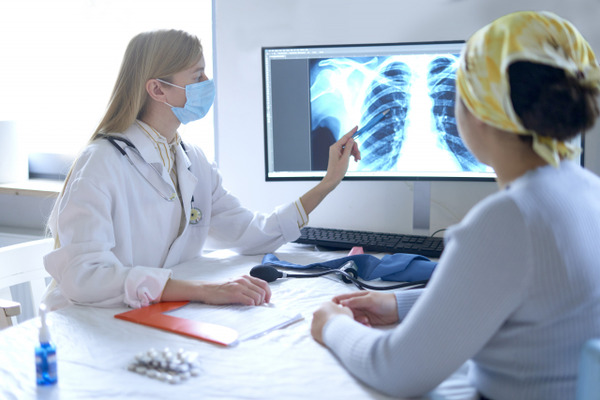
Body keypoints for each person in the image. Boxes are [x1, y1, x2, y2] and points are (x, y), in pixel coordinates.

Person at [311, 11, 600, 400]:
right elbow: (532, 300)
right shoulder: (587, 190)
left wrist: (331, 324)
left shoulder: (509, 219)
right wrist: (401, 303)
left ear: (480, 112)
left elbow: (395, 370)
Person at [43, 29, 360, 310]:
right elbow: (84, 276)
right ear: (158, 90)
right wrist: (203, 291)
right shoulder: (101, 161)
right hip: (87, 322)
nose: (208, 83)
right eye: (197, 77)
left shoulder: (192, 159)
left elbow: (252, 234)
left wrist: (328, 183)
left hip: (150, 316)